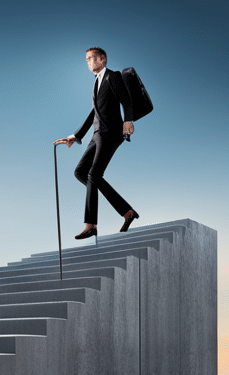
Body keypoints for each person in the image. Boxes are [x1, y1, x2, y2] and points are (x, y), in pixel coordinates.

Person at [54, 47, 140, 240]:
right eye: (86, 59)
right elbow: (94, 112)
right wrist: (76, 136)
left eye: (91, 58)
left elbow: (126, 99)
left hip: (110, 133)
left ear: (103, 59)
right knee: (81, 172)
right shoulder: (97, 83)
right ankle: (127, 212)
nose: (88, 62)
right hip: (96, 134)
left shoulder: (112, 76)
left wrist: (128, 120)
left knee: (93, 175)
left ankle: (90, 225)